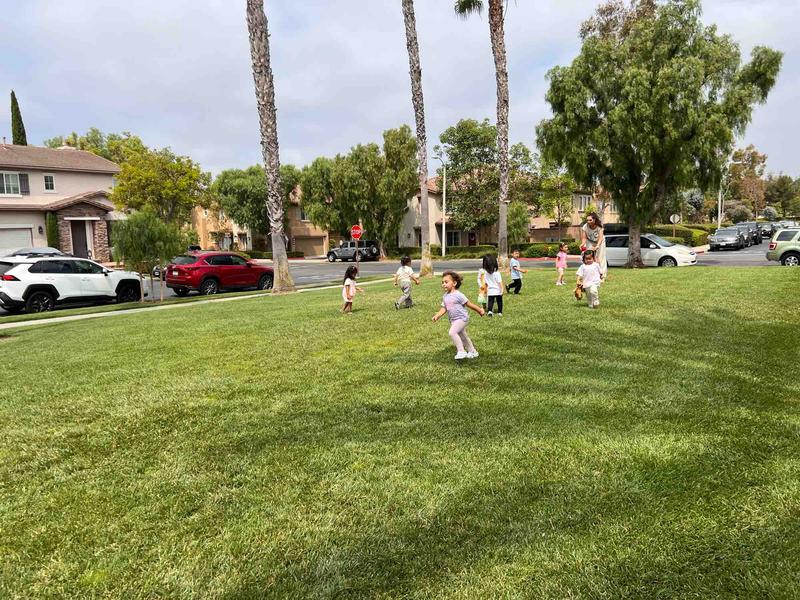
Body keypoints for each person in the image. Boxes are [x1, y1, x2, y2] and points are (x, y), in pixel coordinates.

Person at [432, 270, 485, 360]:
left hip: (462, 318)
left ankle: (461, 351)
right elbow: (444, 308)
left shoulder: (458, 295)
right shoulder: (445, 296)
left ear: (454, 283)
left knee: (452, 332)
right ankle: (473, 351)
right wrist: (437, 315)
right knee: (463, 336)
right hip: (454, 320)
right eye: (442, 282)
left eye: (446, 282)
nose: (443, 284)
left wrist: (479, 310)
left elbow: (469, 304)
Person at [580, 211, 607, 276]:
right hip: (590, 241)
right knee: (590, 256)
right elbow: (584, 237)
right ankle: (591, 273)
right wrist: (582, 244)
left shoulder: (599, 227)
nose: (588, 222)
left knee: (600, 257)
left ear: (594, 220)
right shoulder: (585, 226)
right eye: (587, 220)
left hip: (600, 242)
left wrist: (597, 246)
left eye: (590, 220)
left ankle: (602, 275)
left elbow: (600, 238)